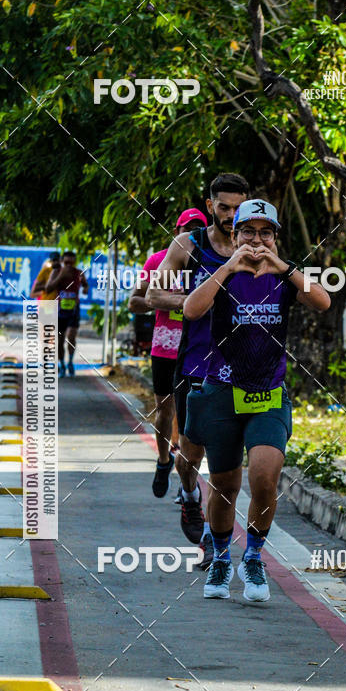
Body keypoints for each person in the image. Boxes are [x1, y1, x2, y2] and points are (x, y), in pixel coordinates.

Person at [183, 198, 330, 602]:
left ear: (276, 238)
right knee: (224, 486)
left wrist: (283, 267)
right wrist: (229, 267)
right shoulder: (222, 273)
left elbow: (322, 301)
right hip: (222, 394)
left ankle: (253, 556)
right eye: (248, 231)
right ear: (235, 235)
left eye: (266, 232)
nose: (257, 240)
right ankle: (219, 559)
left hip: (268, 395)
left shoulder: (285, 278)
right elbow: (191, 310)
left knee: (264, 476)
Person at [145, 173, 250, 556]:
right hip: (193, 366)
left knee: (226, 464)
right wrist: (197, 300)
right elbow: (154, 294)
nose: (231, 215)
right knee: (190, 457)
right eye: (223, 207)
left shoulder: (257, 246)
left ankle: (215, 541)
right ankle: (189, 493)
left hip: (240, 369)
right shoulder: (189, 245)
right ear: (210, 206)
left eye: (238, 207)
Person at [129, 208, 207, 499]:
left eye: (198, 229)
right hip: (165, 346)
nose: (191, 234)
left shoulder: (210, 261)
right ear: (176, 232)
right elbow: (135, 301)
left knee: (193, 417)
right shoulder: (158, 261)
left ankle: (186, 479)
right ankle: (163, 461)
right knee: (165, 409)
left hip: (198, 348)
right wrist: (171, 302)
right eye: (187, 229)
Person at [46, 250, 88, 377]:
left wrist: (85, 288)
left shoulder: (79, 273)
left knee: (71, 336)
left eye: (71, 262)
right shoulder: (56, 272)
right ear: (63, 262)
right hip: (60, 311)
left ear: (74, 262)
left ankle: (70, 361)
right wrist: (60, 276)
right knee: (59, 340)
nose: (69, 265)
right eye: (66, 262)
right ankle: (62, 364)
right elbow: (48, 289)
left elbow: (86, 286)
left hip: (74, 310)